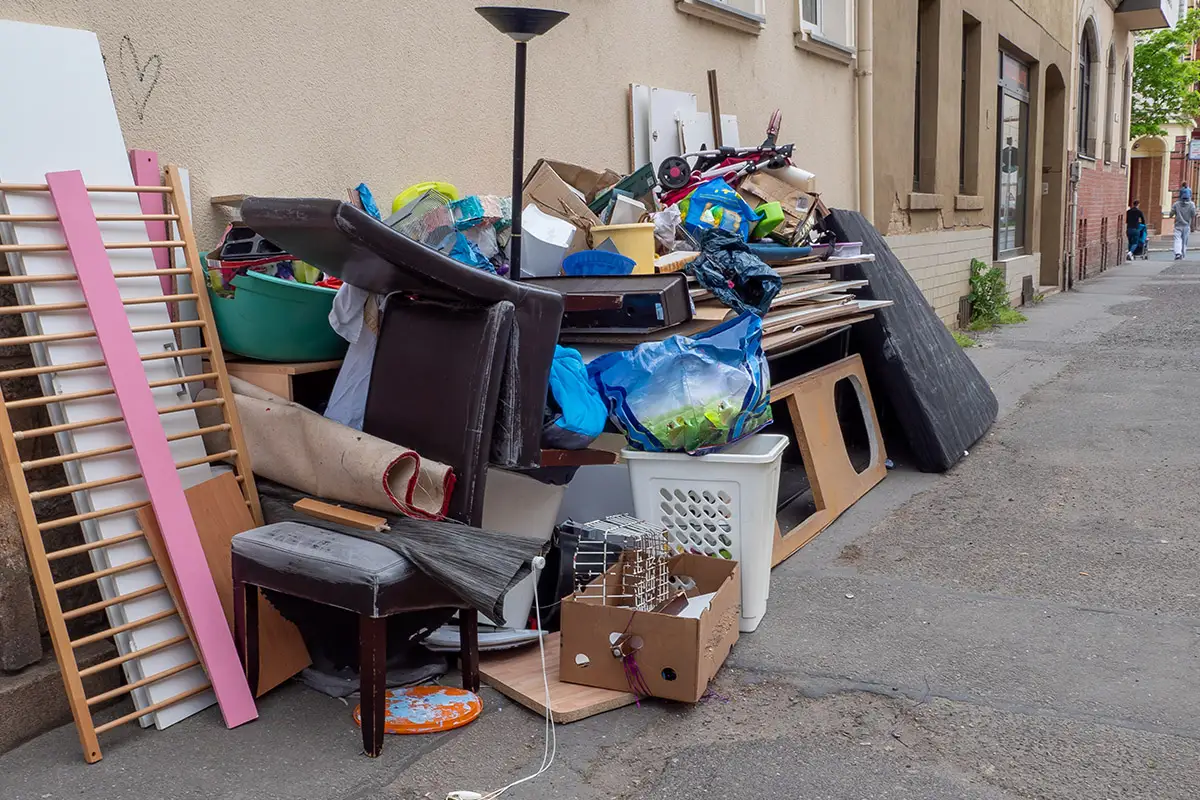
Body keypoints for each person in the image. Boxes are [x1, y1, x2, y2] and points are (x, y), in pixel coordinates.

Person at [1172, 190, 1197, 260]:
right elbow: (1193, 214)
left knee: (1177, 239)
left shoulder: (1176, 204)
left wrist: (1174, 214)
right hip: (1186, 225)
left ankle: (1178, 253)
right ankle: (1182, 254)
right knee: (1184, 241)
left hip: (1178, 225)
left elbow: (1171, 213)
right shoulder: (1191, 204)